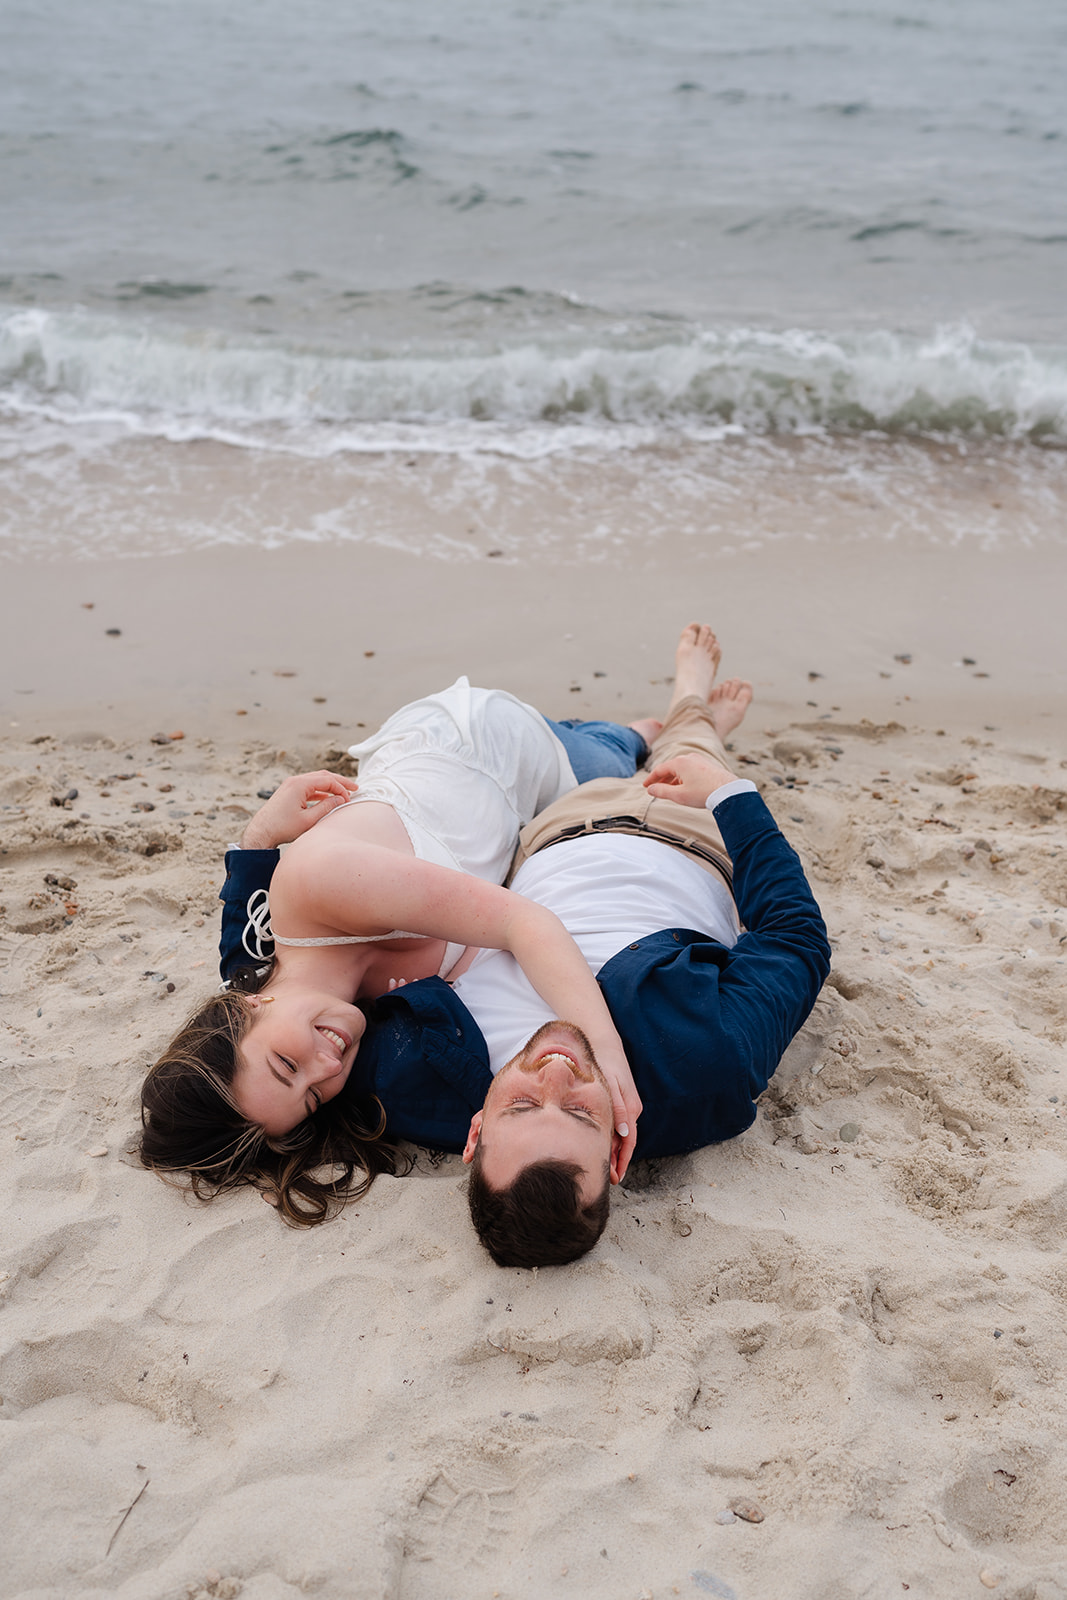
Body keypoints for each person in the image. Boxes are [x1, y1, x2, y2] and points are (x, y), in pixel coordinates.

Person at [208, 634, 831, 1265]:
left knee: (605, 749)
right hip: (687, 831)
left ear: (475, 1133)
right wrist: (731, 797)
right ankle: (693, 711)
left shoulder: (404, 1075)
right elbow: (797, 941)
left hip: (545, 826)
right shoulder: (707, 1068)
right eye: (583, 1115)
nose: (557, 1072)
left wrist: (257, 844)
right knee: (691, 751)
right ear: (618, 1156)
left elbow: (255, 983)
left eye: (523, 1103)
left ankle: (662, 727)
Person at [140, 630, 716, 1223]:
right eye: (311, 1095)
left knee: (616, 750)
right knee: (628, 770)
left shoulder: (319, 883)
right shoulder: (288, 988)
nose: (328, 1067)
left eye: (287, 1065)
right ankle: (676, 722)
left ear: (244, 1008)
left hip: (478, 748)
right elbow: (239, 949)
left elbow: (525, 922)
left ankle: (681, 700)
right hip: (525, 830)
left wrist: (608, 1060)